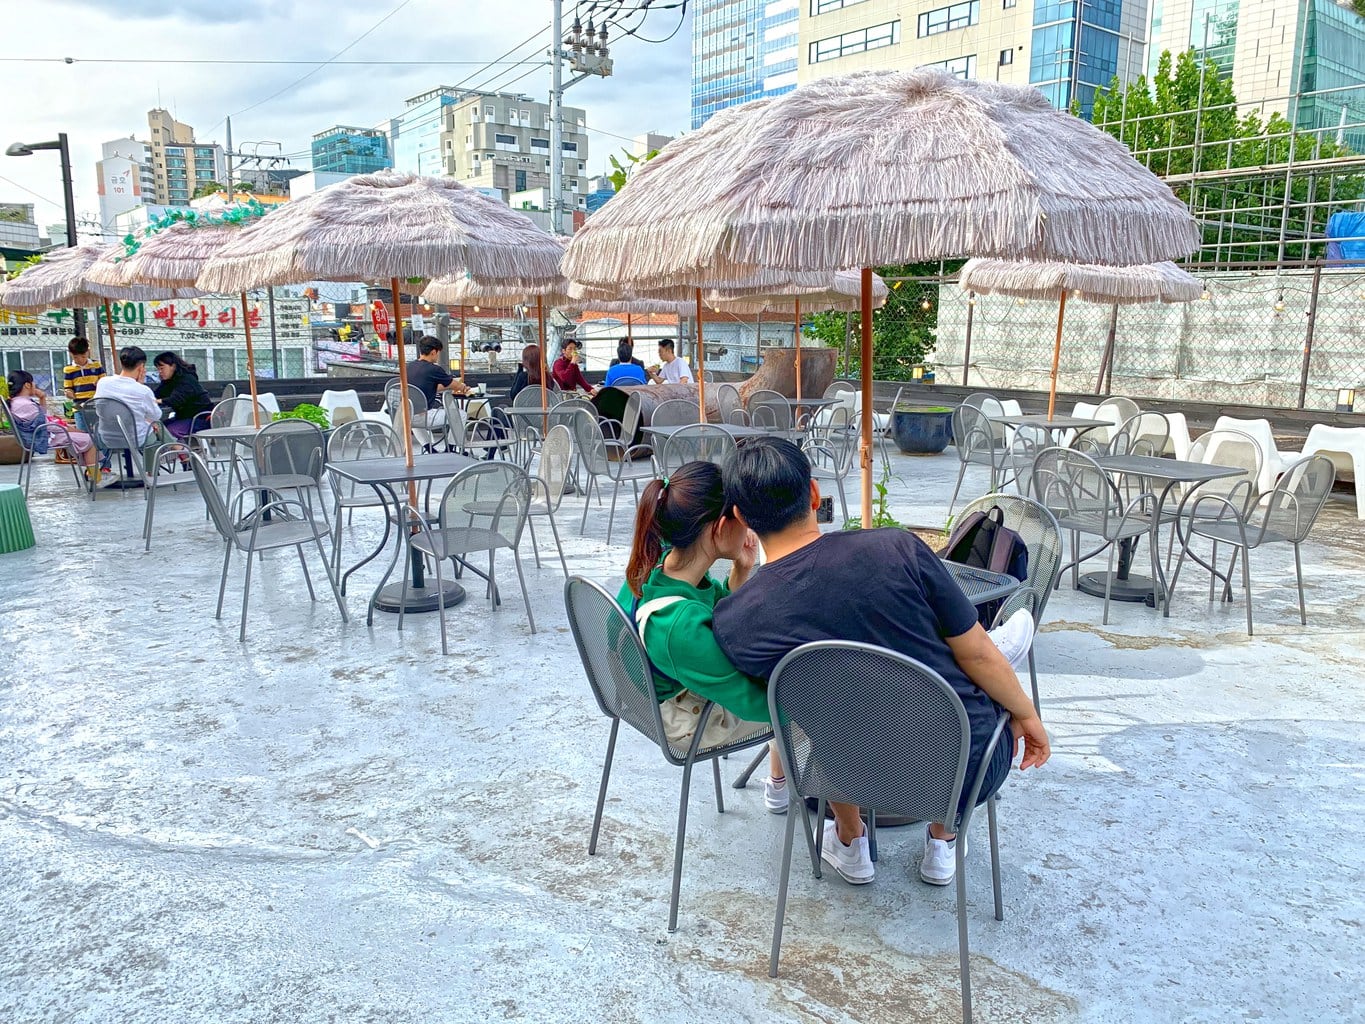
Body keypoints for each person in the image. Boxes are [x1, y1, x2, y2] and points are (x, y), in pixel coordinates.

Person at [712, 438, 1048, 887]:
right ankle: (943, 837)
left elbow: (775, 712)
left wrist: (740, 575)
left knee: (831, 711)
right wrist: (1026, 713)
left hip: (848, 774)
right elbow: (977, 654)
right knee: (982, 686)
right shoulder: (898, 548)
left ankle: (850, 841)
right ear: (814, 494)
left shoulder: (736, 620)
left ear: (739, 518)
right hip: (965, 774)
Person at [618, 460, 788, 806]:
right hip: (684, 722)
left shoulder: (658, 565)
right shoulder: (678, 626)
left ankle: (781, 783)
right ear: (721, 527)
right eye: (744, 516)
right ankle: (795, 796)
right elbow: (759, 704)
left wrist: (742, 571)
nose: (750, 525)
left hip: (645, 696)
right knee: (804, 706)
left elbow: (719, 621)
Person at [6, 369, 100, 483]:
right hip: (43, 438)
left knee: (82, 438)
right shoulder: (24, 405)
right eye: (33, 382)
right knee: (89, 439)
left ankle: (92, 474)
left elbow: (42, 417)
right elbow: (47, 425)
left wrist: (42, 398)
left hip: (41, 435)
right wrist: (68, 429)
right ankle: (96, 479)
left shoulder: (19, 402)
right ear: (27, 385)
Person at [93, 346, 172, 476]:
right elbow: (156, 415)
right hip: (135, 438)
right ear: (141, 367)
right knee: (155, 428)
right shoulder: (142, 390)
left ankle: (178, 450)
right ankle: (151, 473)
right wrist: (140, 385)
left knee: (149, 424)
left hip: (106, 437)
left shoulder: (103, 382)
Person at [62, 338, 108, 470]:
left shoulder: (96, 365)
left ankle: (105, 466)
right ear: (71, 354)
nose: (81, 360)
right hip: (79, 406)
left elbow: (104, 382)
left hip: (97, 405)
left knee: (101, 434)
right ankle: (90, 468)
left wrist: (99, 384)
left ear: (88, 352)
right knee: (83, 435)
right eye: (76, 357)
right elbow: (68, 388)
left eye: (83, 356)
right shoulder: (68, 369)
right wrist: (68, 393)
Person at [405, 336, 469, 429]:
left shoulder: (409, 367)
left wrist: (449, 386)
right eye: (438, 353)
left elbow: (429, 387)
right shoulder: (434, 369)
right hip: (424, 417)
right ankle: (454, 443)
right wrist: (463, 387)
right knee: (461, 414)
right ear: (433, 352)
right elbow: (455, 385)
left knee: (415, 414)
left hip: (406, 414)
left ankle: (426, 444)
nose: (438, 356)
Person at [152, 352, 213, 439]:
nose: (160, 372)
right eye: (158, 369)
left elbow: (176, 400)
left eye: (162, 368)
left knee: (169, 431)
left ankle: (182, 451)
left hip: (200, 418)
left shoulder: (187, 379)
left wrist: (157, 401)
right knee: (158, 428)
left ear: (173, 366)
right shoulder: (169, 381)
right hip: (185, 417)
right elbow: (157, 394)